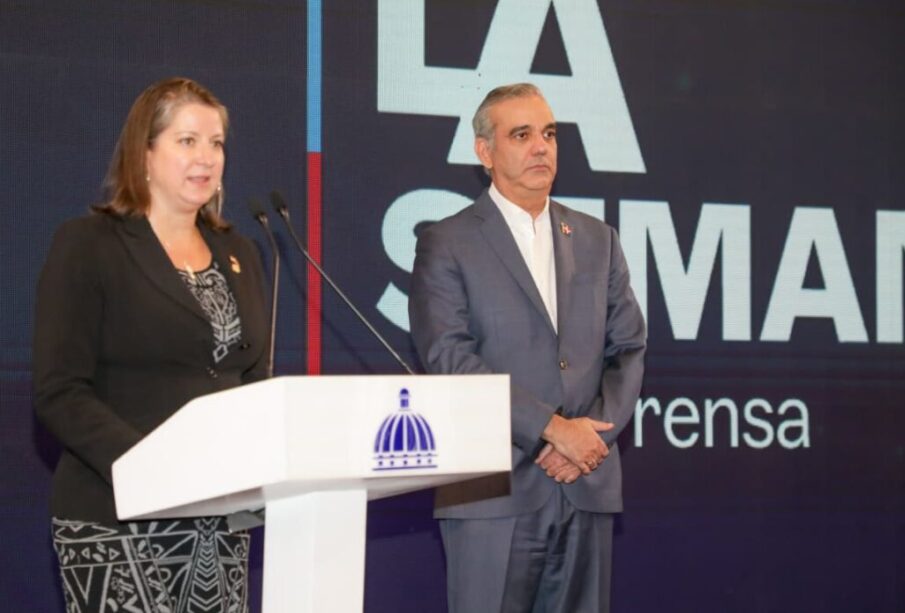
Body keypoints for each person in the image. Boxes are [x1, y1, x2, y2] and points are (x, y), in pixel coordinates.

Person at [33, 77, 270, 613]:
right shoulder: (89, 246)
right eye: (187, 141)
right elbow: (59, 389)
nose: (206, 157)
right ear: (144, 154)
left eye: (216, 143)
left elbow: (252, 378)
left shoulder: (239, 252)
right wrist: (152, 465)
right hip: (116, 514)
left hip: (217, 521)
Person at [409, 83, 646, 612]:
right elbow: (449, 358)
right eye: (521, 135)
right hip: (491, 491)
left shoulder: (598, 239)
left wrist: (588, 441)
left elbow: (628, 349)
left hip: (585, 482)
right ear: (485, 152)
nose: (541, 147)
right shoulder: (447, 242)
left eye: (549, 133)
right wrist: (550, 430)